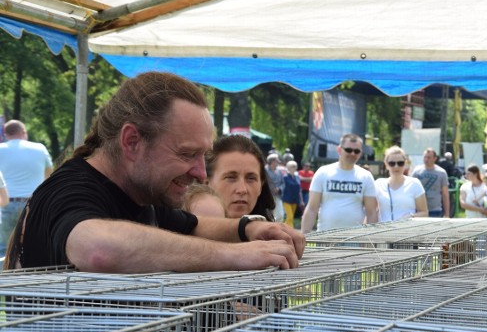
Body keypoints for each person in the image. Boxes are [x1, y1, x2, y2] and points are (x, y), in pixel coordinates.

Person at [6, 71, 304, 271]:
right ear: (132, 141)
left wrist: (249, 228)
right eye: (187, 154)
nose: (201, 173)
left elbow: (192, 225)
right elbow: (96, 248)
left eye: (203, 156)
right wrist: (234, 255)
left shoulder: (140, 192)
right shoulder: (69, 190)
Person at [300, 133, 378, 232]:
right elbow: (312, 208)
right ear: (339, 150)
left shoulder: (366, 176)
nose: (352, 154)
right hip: (325, 236)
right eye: (348, 150)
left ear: (360, 153)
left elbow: (371, 212)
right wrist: (303, 236)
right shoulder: (323, 173)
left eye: (356, 151)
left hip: (355, 239)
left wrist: (370, 240)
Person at [0, 120, 53, 257]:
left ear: (6, 134)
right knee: (32, 244)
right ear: (23, 132)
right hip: (33, 203)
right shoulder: (40, 148)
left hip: (6, 204)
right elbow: (49, 176)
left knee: (5, 248)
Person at [206, 134, 277, 221]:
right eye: (231, 178)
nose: (242, 190)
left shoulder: (273, 233)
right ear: (206, 183)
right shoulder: (186, 231)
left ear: (261, 186)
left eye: (251, 179)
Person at [374, 146, 427, 222]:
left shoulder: (415, 183)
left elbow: (424, 213)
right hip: (384, 231)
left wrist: (411, 216)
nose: (396, 166)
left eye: (400, 163)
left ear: (405, 163)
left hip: (408, 231)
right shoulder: (378, 184)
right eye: (392, 163)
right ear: (386, 164)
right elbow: (371, 211)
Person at [411, 147, 450, 217]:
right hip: (419, 210)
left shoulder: (441, 173)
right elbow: (411, 190)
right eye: (425, 157)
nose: (426, 159)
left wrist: (447, 213)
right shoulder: (416, 172)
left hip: (435, 210)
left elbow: (445, 194)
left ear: (435, 158)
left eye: (429, 157)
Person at [281, 160, 304, 227]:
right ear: (288, 167)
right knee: (290, 216)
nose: (295, 168)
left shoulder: (297, 177)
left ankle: (284, 229)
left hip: (295, 200)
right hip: (287, 199)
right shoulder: (285, 177)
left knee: (290, 218)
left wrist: (301, 200)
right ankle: (290, 231)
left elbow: (299, 189)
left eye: (295, 166)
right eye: (292, 166)